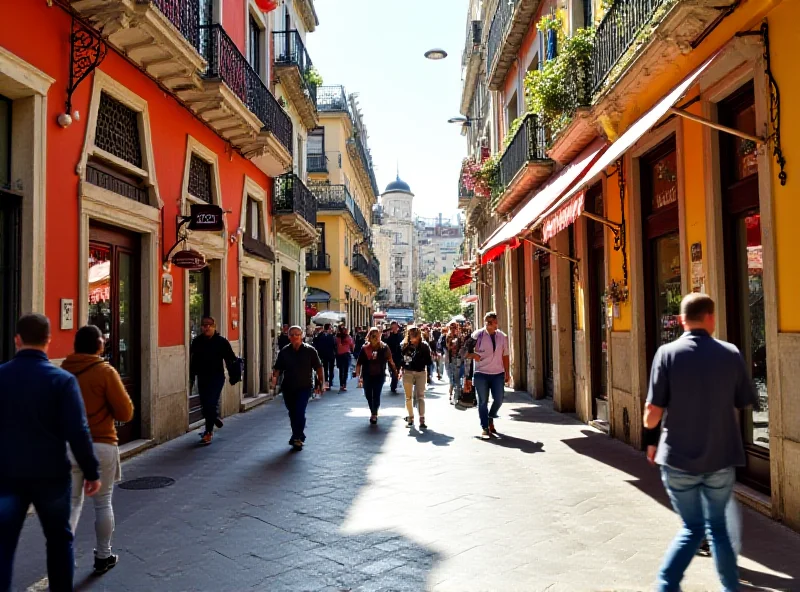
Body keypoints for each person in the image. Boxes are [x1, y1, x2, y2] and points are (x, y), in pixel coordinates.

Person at [643, 294, 757, 592]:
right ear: (711, 317)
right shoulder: (730, 353)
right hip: (720, 456)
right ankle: (730, 588)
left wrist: (650, 431)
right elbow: (743, 401)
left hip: (678, 458)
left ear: (681, 321)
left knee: (693, 528)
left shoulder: (666, 354)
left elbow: (652, 416)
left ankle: (667, 584)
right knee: (717, 527)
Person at [0, 314, 101, 592]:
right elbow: (78, 431)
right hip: (51, 476)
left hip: (7, 475)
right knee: (59, 541)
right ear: (48, 341)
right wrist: (91, 471)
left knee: (3, 546)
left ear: (17, 339)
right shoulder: (62, 381)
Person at [62, 325, 134, 575]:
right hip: (102, 443)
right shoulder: (105, 371)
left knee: (71, 504)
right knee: (103, 503)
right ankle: (103, 555)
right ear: (99, 345)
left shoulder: (63, 371)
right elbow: (125, 412)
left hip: (70, 446)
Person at [271, 326, 324, 451]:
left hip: (304, 387)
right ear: (288, 337)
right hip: (288, 387)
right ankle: (298, 435)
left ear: (302, 336)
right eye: (292, 334)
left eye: (297, 334)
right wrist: (274, 379)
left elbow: (318, 367)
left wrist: (320, 383)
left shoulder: (310, 351)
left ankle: (297, 438)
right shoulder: (284, 351)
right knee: (292, 413)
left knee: (300, 411)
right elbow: (278, 368)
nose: (295, 337)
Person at [189, 316, 240, 445]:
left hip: (217, 377)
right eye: (204, 325)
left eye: (209, 325)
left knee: (211, 403)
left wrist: (233, 376)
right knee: (205, 404)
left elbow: (230, 359)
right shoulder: (197, 342)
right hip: (202, 377)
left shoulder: (221, 342)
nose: (206, 327)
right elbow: (193, 362)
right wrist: (191, 378)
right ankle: (214, 417)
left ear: (214, 327)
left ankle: (208, 432)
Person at [466, 311, 510, 439]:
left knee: (499, 398)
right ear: (485, 322)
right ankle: (485, 427)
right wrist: (473, 355)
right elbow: (464, 351)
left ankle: (491, 416)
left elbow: (505, 355)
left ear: (496, 322)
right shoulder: (477, 335)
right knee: (483, 401)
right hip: (481, 373)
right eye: (488, 322)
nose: (491, 324)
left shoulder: (502, 336)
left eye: (493, 321)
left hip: (498, 373)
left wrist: (507, 373)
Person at [354, 327, 398, 425]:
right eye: (372, 334)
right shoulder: (365, 348)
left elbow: (390, 360)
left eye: (376, 334)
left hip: (379, 375)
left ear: (379, 336)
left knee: (376, 394)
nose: (375, 337)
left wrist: (395, 371)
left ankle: (374, 414)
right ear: (369, 336)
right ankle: (372, 410)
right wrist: (358, 375)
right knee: (368, 395)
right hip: (367, 375)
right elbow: (359, 362)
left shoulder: (384, 347)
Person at [399, 326, 433, 429]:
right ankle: (410, 417)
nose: (412, 336)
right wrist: (401, 368)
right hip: (408, 372)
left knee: (420, 396)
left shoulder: (424, 346)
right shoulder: (404, 345)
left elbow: (429, 361)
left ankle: (422, 419)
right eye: (410, 334)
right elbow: (400, 359)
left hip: (420, 373)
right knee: (408, 397)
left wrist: (420, 360)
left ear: (419, 335)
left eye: (415, 334)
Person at [443, 321, 466, 405]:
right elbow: (448, 347)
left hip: (458, 359)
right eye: (451, 328)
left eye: (455, 328)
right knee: (452, 379)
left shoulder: (460, 337)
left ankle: (456, 397)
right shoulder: (448, 336)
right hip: (450, 360)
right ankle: (453, 395)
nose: (453, 329)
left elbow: (463, 347)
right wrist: (453, 343)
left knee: (456, 379)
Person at [313, 323, 336, 390]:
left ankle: (327, 382)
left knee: (327, 368)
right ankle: (329, 382)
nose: (331, 329)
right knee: (329, 369)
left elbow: (315, 342)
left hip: (326, 354)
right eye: (330, 328)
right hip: (328, 354)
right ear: (328, 328)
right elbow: (334, 345)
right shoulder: (330, 336)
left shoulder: (323, 336)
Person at [383, 321, 403, 394]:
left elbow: (402, 344)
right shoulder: (388, 335)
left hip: (398, 356)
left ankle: (393, 385)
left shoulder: (400, 335)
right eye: (393, 326)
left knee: (396, 371)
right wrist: (386, 337)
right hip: (390, 356)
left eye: (395, 326)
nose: (394, 328)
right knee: (392, 371)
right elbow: (384, 344)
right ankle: (393, 382)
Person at [335, 326, 355, 392]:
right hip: (346, 354)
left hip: (339, 355)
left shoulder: (337, 337)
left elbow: (335, 345)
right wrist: (352, 351)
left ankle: (341, 384)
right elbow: (352, 345)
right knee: (346, 370)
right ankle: (344, 385)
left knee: (341, 370)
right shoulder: (348, 337)